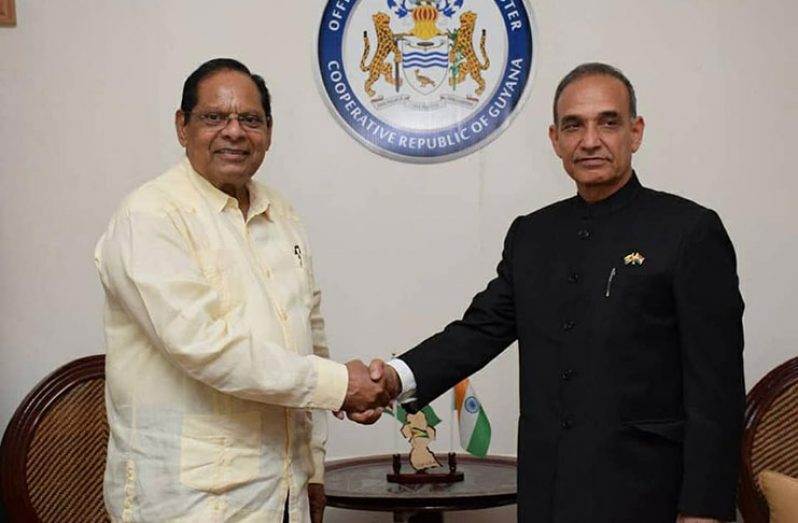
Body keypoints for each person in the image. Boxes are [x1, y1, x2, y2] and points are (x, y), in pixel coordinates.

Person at [376, 63, 745, 523]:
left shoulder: (689, 231)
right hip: (547, 495)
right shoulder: (532, 235)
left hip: (650, 496)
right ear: (555, 140)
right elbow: (479, 330)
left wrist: (703, 509)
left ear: (636, 131)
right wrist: (393, 379)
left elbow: (717, 392)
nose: (590, 140)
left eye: (608, 122)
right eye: (574, 125)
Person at [95, 58, 390, 523]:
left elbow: (308, 339)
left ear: (268, 132)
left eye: (250, 120)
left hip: (281, 492)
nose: (234, 131)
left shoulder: (283, 214)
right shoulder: (150, 215)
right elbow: (203, 347)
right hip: (188, 502)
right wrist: (341, 386)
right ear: (182, 126)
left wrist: (312, 469)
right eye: (214, 117)